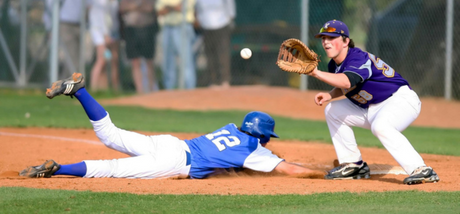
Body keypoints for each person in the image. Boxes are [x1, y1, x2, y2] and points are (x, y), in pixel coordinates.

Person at [19, 73, 323, 180]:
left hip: (170, 143)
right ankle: (57, 170)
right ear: (261, 136)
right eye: (267, 139)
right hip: (175, 161)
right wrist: (325, 174)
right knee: (110, 168)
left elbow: (229, 161)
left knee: (109, 134)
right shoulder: (251, 150)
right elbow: (290, 170)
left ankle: (80, 90)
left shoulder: (231, 128)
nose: (267, 144)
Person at [308, 19, 440, 185]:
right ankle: (353, 165)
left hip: (400, 100)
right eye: (323, 38)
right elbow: (347, 85)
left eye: (331, 37)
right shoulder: (333, 65)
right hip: (371, 107)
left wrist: (315, 73)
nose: (326, 42)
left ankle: (421, 169)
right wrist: (330, 95)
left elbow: (348, 81)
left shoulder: (357, 58)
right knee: (332, 110)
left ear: (345, 41)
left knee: (381, 126)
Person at [43, 0, 87, 77]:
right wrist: (49, 26)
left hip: (78, 25)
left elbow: (86, 5)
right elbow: (49, 6)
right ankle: (70, 83)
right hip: (65, 25)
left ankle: (67, 82)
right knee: (71, 56)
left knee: (77, 56)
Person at [155, 0, 196, 90]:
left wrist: (168, 7)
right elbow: (160, 11)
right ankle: (169, 89)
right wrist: (174, 7)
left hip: (183, 27)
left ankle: (189, 89)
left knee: (186, 60)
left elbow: (182, 8)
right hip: (167, 28)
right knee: (167, 61)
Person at [195, 0, 236, 88]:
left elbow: (231, 11)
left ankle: (224, 80)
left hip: (222, 27)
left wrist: (227, 22)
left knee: (222, 54)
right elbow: (198, 11)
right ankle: (213, 81)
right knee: (210, 55)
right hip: (207, 28)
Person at [119, 0, 157, 93]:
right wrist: (138, 5)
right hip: (131, 30)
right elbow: (123, 7)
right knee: (135, 61)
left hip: (146, 29)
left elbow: (150, 8)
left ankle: (151, 90)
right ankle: (140, 91)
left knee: (148, 60)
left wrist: (133, 6)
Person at [89, 0, 120, 91]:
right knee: (102, 60)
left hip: (101, 31)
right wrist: (106, 34)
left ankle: (102, 88)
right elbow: (102, 15)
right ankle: (93, 88)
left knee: (106, 59)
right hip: (100, 32)